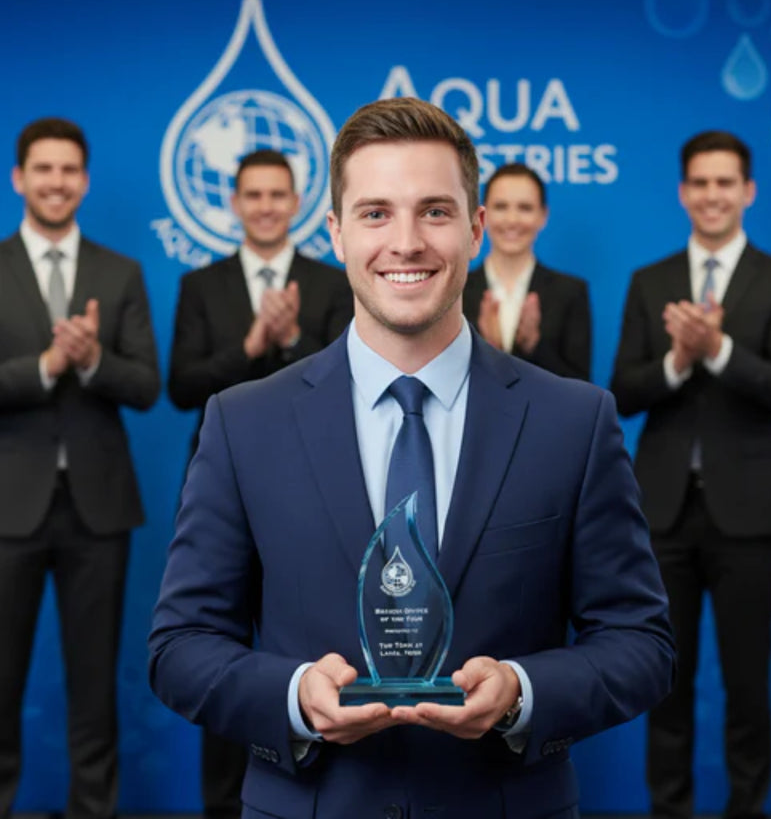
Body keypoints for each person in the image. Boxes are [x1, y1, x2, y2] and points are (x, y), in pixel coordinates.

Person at [150, 97, 674, 819]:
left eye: (434, 211)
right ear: (334, 232)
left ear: (476, 228)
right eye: (374, 213)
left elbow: (640, 645)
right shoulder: (244, 422)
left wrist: (522, 691)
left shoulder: (574, 422)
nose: (406, 242)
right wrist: (295, 695)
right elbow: (180, 646)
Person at [610, 130, 771, 819]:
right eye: (700, 182)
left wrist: (716, 348)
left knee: (748, 683)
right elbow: (623, 392)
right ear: (683, 192)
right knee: (668, 680)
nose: (713, 195)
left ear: (747, 191)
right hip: (660, 515)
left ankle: (747, 809)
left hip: (750, 514)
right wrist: (677, 361)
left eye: (726, 183)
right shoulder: (649, 281)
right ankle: (671, 810)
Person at [167, 147, 352, 818]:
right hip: (222, 495)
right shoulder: (201, 284)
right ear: (235, 203)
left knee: (301, 652)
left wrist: (296, 335)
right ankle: (225, 805)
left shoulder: (332, 284)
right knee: (221, 653)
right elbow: (180, 385)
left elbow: (345, 386)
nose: (268, 206)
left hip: (316, 496)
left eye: (280, 194)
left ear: (298, 201)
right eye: (255, 195)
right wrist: (250, 345)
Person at [0, 117, 160, 818]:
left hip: (98, 510)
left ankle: (93, 811)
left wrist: (92, 361)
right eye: (44, 169)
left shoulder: (118, 272)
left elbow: (147, 385)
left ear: (85, 181)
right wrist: (46, 366)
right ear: (19, 179)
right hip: (8, 508)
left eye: (69, 170)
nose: (57, 182)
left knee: (94, 688)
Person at [463, 163, 591, 380]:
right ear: (481, 216)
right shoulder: (458, 289)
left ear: (543, 216)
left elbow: (580, 387)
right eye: (501, 206)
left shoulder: (570, 291)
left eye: (525, 208)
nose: (512, 220)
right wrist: (488, 348)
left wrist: (534, 345)